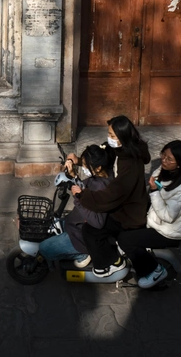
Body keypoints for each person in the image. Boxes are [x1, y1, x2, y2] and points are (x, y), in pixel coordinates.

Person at [71, 115, 151, 277]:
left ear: (123, 136)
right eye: (109, 134)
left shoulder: (129, 163)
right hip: (123, 205)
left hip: (128, 214)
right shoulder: (121, 150)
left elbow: (110, 196)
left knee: (91, 230)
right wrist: (80, 161)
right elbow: (103, 159)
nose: (109, 139)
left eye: (112, 136)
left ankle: (110, 263)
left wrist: (83, 196)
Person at [117, 139, 181, 289]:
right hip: (157, 218)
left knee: (125, 240)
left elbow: (168, 216)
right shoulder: (164, 171)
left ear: (179, 164)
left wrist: (154, 191)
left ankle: (154, 270)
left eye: (169, 159)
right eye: (163, 155)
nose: (164, 160)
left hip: (169, 231)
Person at [38, 144, 115, 267]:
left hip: (80, 237)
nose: (83, 168)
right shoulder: (101, 175)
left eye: (85, 165)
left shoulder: (101, 189)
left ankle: (82, 255)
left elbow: (98, 222)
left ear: (98, 168)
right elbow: (83, 187)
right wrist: (74, 175)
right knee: (49, 227)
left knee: (44, 248)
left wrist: (78, 199)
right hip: (73, 225)